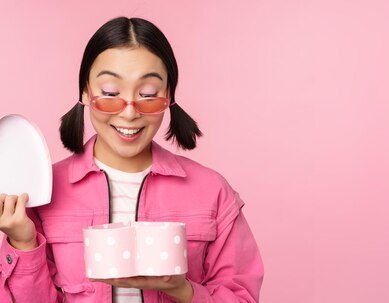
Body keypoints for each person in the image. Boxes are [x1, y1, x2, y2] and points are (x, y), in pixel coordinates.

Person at [0, 16, 263, 302]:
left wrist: (181, 289)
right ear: (86, 93)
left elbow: (241, 296)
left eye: (148, 94)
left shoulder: (212, 192)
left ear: (169, 96)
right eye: (110, 93)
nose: (129, 113)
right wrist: (23, 242)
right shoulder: (44, 192)